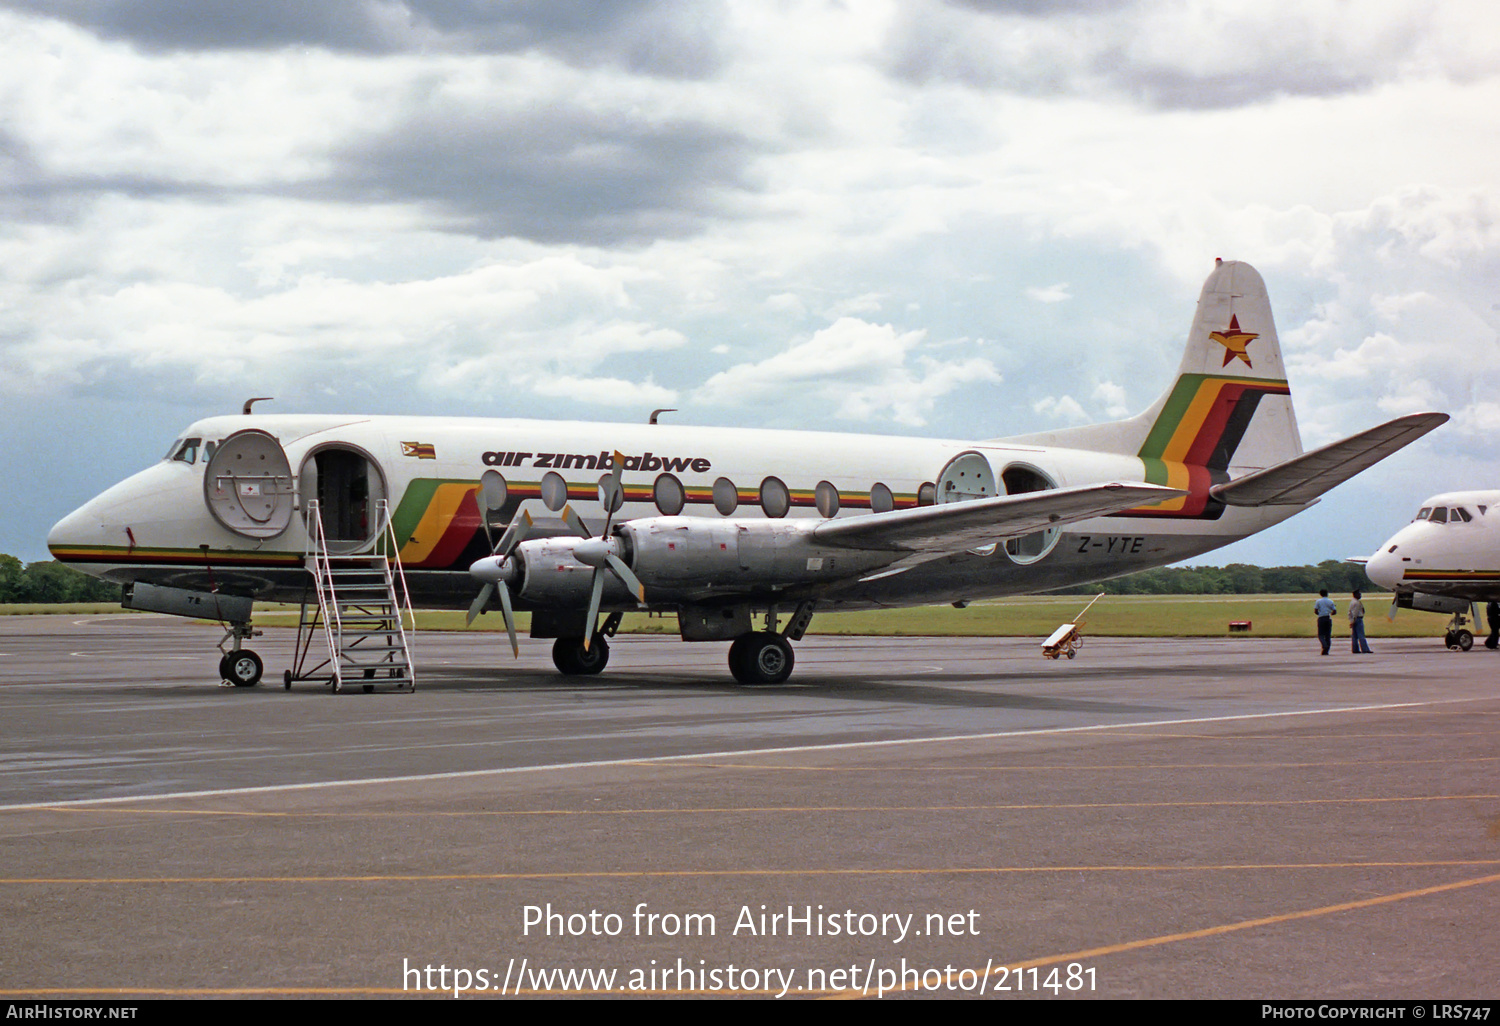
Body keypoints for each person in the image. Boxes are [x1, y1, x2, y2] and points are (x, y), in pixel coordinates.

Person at [1349, 590, 1372, 654]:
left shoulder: (1352, 602)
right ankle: (1365, 649)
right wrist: (1353, 621)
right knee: (1361, 635)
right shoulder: (1357, 603)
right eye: (1359, 594)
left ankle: (1355, 649)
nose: (1360, 595)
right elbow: (1355, 613)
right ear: (1355, 595)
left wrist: (1351, 621)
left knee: (1355, 635)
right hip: (1358, 619)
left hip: (1355, 619)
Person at [1314, 589, 1336, 655]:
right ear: (1327, 594)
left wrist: (1320, 614)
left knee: (1320, 635)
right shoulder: (1330, 601)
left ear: (1320, 594)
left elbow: (1315, 611)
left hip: (1321, 618)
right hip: (1328, 618)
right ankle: (1326, 650)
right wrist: (1330, 613)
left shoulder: (1318, 601)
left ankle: (1324, 645)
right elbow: (1334, 611)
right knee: (1328, 635)